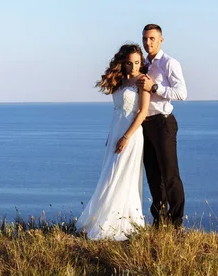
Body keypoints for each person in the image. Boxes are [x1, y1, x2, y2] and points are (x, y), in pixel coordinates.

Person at [76, 44, 151, 240]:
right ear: (122, 63)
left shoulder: (143, 81)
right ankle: (102, 217)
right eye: (129, 63)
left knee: (122, 175)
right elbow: (117, 111)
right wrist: (112, 136)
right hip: (115, 131)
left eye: (137, 62)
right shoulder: (120, 82)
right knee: (109, 174)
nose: (134, 67)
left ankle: (121, 221)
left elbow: (142, 112)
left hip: (131, 134)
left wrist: (126, 137)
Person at [136, 24, 187, 228]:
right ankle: (159, 221)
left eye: (152, 39)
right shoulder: (144, 64)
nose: (148, 43)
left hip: (163, 122)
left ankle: (176, 224)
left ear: (161, 40)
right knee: (153, 175)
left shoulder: (169, 63)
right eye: (145, 39)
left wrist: (155, 87)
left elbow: (182, 93)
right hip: (145, 125)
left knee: (170, 174)